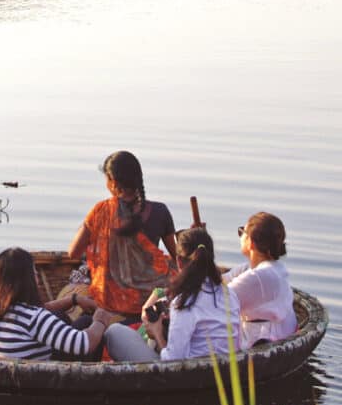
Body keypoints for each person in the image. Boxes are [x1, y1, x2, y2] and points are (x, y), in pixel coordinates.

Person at [104, 227, 240, 362]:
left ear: (179, 261)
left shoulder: (184, 302)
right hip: (226, 371)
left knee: (113, 332)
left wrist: (157, 332)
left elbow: (173, 362)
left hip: (185, 378)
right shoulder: (231, 294)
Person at [68, 151, 177, 317]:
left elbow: (73, 252)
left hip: (109, 301)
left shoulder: (101, 211)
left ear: (113, 182)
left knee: (77, 281)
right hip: (148, 299)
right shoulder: (161, 211)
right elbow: (177, 257)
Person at [0, 247, 112, 360]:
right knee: (86, 322)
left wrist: (73, 299)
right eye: (34, 273)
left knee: (58, 315)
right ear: (28, 280)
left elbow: (42, 310)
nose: (37, 277)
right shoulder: (34, 318)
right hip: (37, 385)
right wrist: (101, 319)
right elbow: (85, 344)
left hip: (4, 379)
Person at [223, 212, 297, 348]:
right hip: (277, 331)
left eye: (242, 232)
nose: (240, 237)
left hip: (264, 339)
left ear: (250, 242)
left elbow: (218, 299)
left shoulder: (260, 275)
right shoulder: (270, 267)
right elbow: (221, 281)